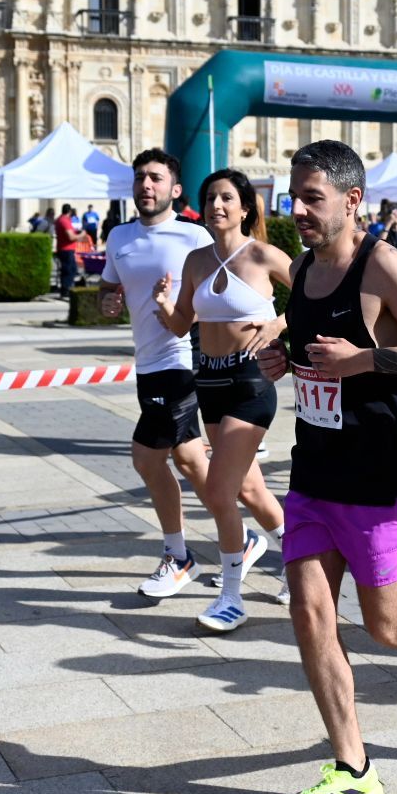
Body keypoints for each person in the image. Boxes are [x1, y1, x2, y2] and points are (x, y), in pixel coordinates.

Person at [255, 140, 397, 794]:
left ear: (353, 201)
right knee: (309, 612)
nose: (298, 210)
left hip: (378, 478)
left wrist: (366, 360)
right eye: (295, 197)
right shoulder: (301, 268)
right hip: (314, 473)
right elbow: (313, 343)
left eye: (312, 198)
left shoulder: (382, 264)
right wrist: (282, 357)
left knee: (392, 627)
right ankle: (352, 767)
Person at [99, 150, 284, 603]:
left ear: (174, 190)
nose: (147, 185)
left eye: (156, 178)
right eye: (140, 177)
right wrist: (112, 301)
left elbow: (309, 287)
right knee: (223, 476)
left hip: (185, 366)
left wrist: (279, 325)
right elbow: (121, 292)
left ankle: (187, 558)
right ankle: (265, 543)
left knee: (151, 459)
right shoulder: (122, 237)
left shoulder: (197, 237)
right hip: (159, 366)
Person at [153, 168, 295, 629]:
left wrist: (278, 325)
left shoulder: (264, 255)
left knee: (217, 490)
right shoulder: (196, 261)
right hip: (209, 382)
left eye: (227, 198)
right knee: (249, 488)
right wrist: (162, 306)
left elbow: (314, 296)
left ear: (245, 207)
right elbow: (181, 325)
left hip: (251, 381)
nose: (218, 205)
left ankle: (232, 598)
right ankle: (299, 561)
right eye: (211, 197)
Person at [54, 204, 91, 298]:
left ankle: (68, 288)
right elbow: (71, 237)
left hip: (65, 249)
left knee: (72, 269)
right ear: (69, 211)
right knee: (69, 270)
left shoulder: (60, 219)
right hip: (66, 249)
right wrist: (82, 234)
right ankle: (66, 290)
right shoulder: (64, 220)